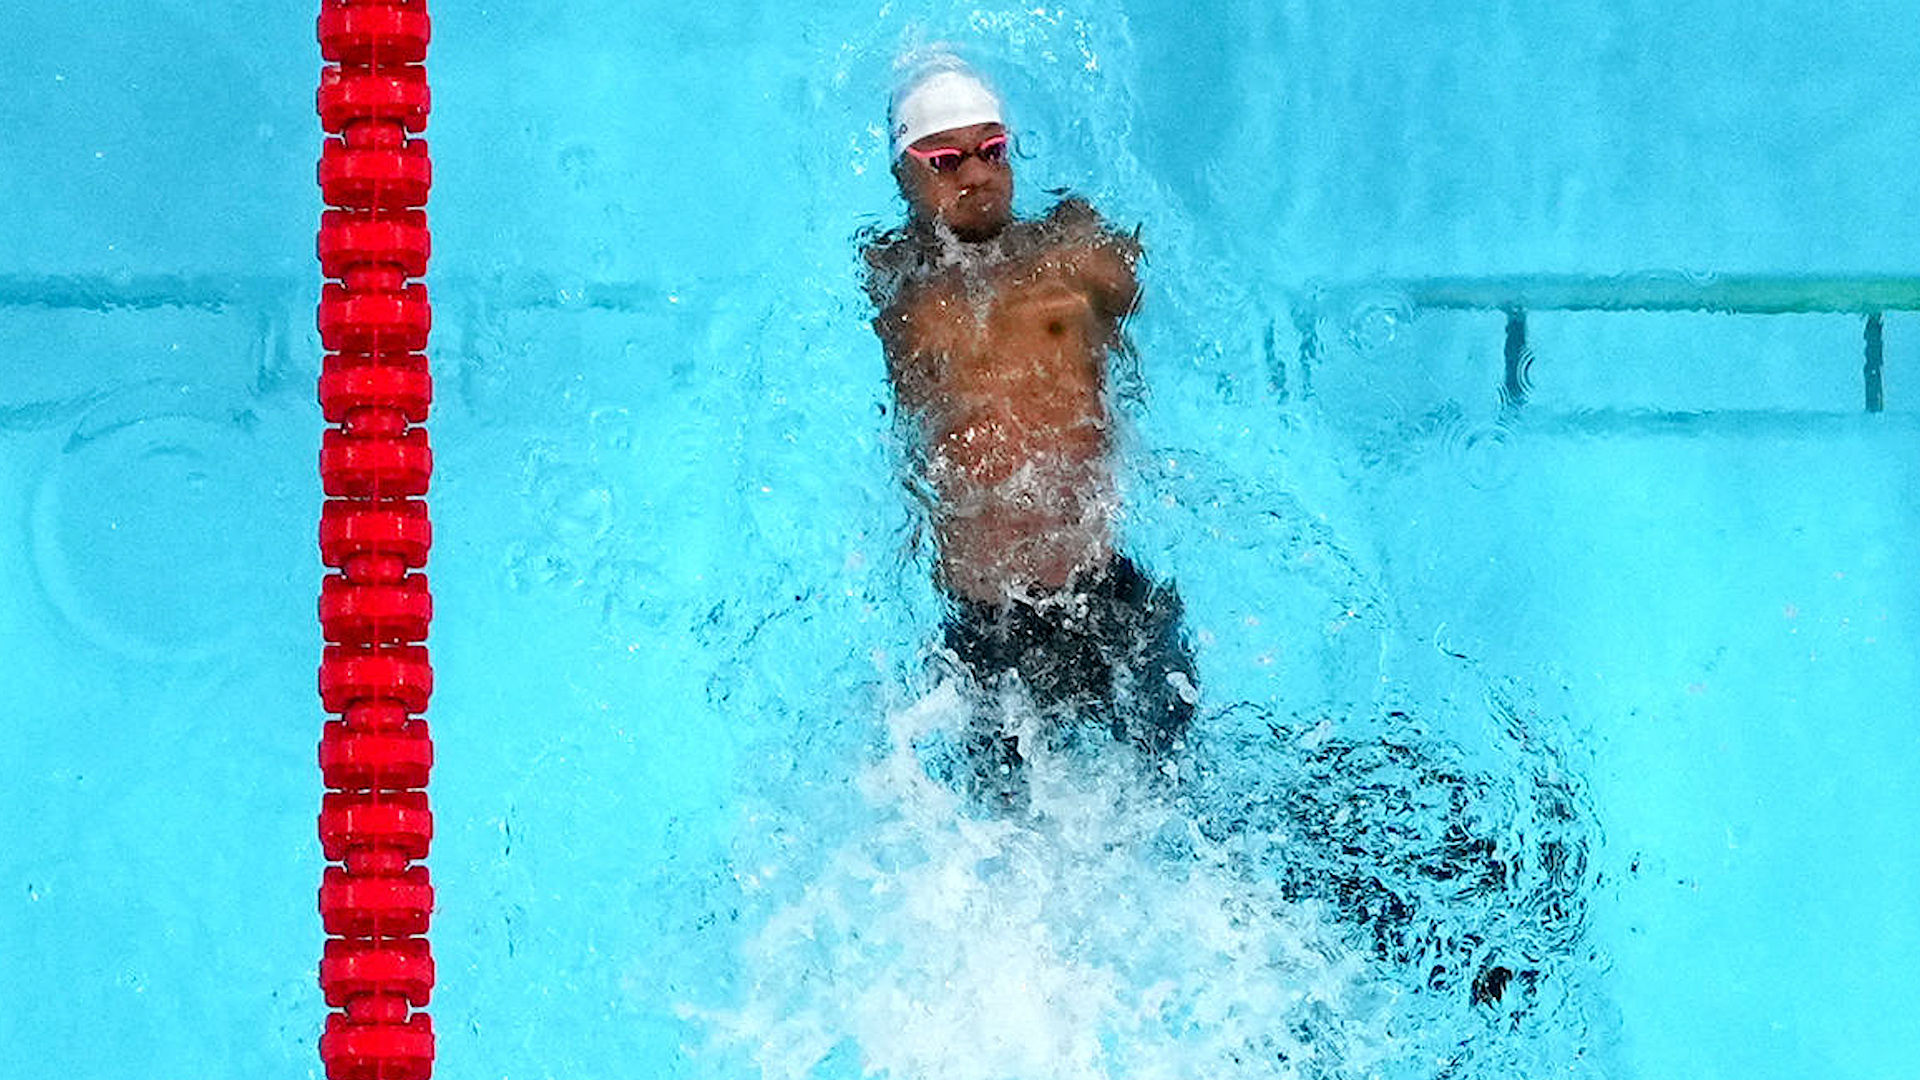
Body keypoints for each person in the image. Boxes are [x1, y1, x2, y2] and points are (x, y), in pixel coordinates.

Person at [860, 55, 1197, 804]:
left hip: (1104, 594)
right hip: (986, 626)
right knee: (1000, 853)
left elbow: (1147, 284)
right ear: (902, 175)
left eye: (993, 151)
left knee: (1174, 805)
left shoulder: (1075, 254)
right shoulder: (898, 280)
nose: (976, 175)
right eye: (945, 160)